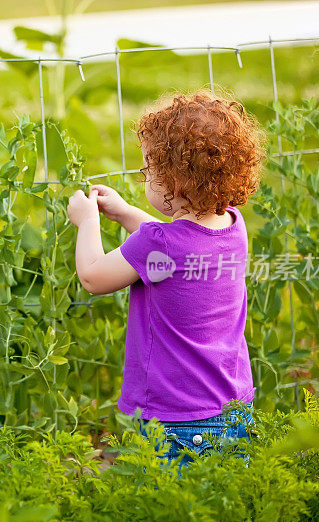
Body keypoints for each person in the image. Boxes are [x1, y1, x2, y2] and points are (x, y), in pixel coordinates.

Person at [66, 88, 265, 474]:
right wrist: (125, 213)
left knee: (169, 510)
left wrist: (87, 221)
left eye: (147, 171)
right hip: (233, 407)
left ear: (172, 184)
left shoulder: (158, 245)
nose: (143, 177)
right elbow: (176, 244)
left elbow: (92, 276)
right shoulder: (232, 227)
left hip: (175, 418)